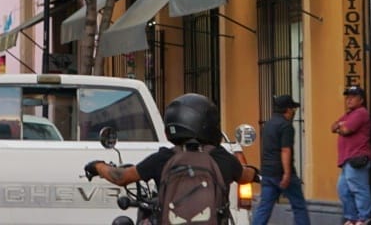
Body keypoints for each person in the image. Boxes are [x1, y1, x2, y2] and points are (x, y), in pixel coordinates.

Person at [84, 93, 255, 204]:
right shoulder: (221, 158)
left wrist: (97, 166)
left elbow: (120, 177)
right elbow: (245, 175)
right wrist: (255, 172)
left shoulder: (163, 158)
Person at [252, 94, 311, 225]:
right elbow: (285, 150)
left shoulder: (268, 124)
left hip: (267, 172)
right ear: (288, 110)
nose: (294, 112)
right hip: (281, 171)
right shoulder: (286, 126)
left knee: (264, 208)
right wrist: (287, 173)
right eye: (293, 109)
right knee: (299, 206)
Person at [331, 85, 371, 225]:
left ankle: (363, 218)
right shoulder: (348, 114)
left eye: (352, 97)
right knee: (343, 189)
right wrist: (339, 126)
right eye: (347, 97)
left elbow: (346, 130)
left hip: (357, 157)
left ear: (361, 99)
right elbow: (333, 126)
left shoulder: (361, 113)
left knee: (359, 189)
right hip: (346, 159)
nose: (348, 99)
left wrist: (341, 127)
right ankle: (352, 218)